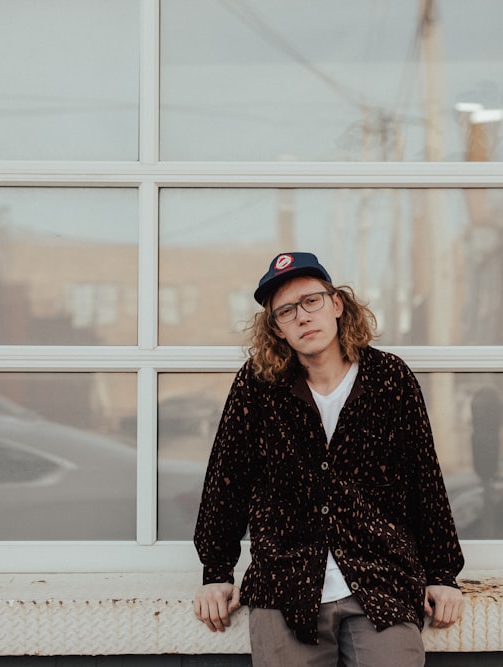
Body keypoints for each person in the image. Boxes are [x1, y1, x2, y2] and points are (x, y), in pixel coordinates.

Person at [192, 251, 464, 666]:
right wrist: (216, 572)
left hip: (380, 583)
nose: (302, 317)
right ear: (277, 329)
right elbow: (226, 480)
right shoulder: (257, 386)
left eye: (311, 301)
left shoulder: (390, 379)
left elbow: (424, 479)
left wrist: (442, 575)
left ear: (337, 305)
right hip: (284, 587)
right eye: (286, 311)